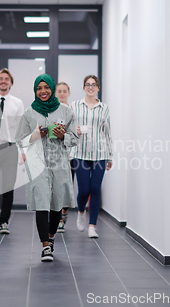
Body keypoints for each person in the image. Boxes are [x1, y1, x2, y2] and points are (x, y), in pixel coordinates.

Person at [15, 74, 78, 262]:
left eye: (46, 88)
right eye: (39, 88)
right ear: (35, 91)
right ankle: (45, 247)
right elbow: (20, 139)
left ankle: (51, 238)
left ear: (52, 89)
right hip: (37, 164)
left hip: (59, 163)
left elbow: (75, 138)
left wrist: (62, 136)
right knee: (42, 203)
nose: (43, 91)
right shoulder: (28, 113)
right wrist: (35, 135)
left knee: (57, 204)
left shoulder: (66, 111)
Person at [69, 75, 113, 238]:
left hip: (100, 153)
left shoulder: (104, 108)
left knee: (95, 189)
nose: (90, 87)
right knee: (83, 190)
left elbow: (108, 133)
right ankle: (81, 211)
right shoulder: (74, 106)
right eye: (87, 84)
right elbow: (67, 128)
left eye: (94, 85)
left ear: (98, 88)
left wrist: (110, 156)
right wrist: (76, 130)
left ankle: (92, 226)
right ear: (84, 87)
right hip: (80, 152)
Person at [0, 68, 24, 234]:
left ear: (11, 83)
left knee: (8, 186)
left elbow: (21, 130)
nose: (3, 81)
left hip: (10, 148)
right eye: (0, 79)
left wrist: (23, 151)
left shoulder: (17, 103)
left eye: (6, 79)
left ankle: (4, 221)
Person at [54, 82, 74, 233]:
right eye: (59, 91)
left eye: (64, 91)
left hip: (71, 155)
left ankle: (64, 212)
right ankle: (58, 218)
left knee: (67, 186)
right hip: (54, 157)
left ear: (68, 93)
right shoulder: (52, 111)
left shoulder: (73, 111)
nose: (61, 94)